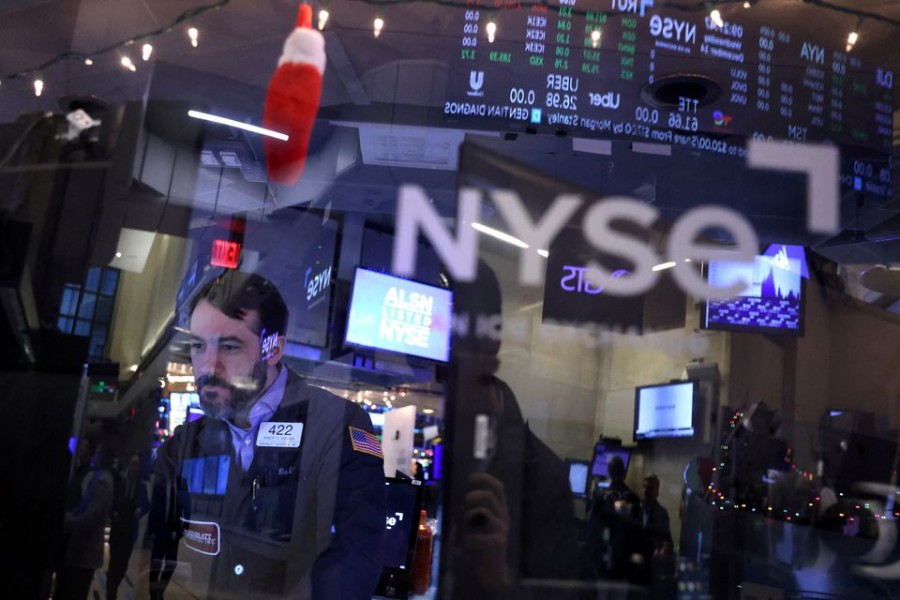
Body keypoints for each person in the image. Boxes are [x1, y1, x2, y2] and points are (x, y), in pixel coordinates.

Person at [149, 271, 386, 599]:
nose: (207, 366)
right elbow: (155, 554)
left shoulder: (338, 426)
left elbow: (355, 558)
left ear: (272, 350)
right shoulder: (184, 447)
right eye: (198, 346)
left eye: (229, 347)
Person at [55, 437, 114, 600]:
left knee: (72, 592)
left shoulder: (102, 481)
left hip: (84, 554)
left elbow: (87, 518)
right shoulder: (94, 477)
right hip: (77, 552)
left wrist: (61, 520)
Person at [586, 455, 641, 583]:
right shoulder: (633, 498)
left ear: (609, 472)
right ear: (623, 472)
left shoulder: (599, 498)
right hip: (623, 564)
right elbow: (637, 532)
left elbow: (592, 531)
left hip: (603, 562)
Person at [107, 453, 150, 599]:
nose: (134, 468)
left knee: (122, 565)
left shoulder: (141, 487)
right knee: (114, 564)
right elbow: (111, 503)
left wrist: (140, 511)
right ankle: (110, 594)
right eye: (132, 464)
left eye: (136, 464)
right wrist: (113, 515)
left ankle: (113, 587)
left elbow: (146, 504)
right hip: (117, 529)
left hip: (130, 531)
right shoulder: (120, 484)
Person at [637, 474, 676, 598]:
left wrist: (661, 552)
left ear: (657, 491)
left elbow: (667, 541)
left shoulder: (661, 513)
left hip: (653, 568)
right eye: (644, 487)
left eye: (649, 488)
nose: (645, 491)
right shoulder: (636, 510)